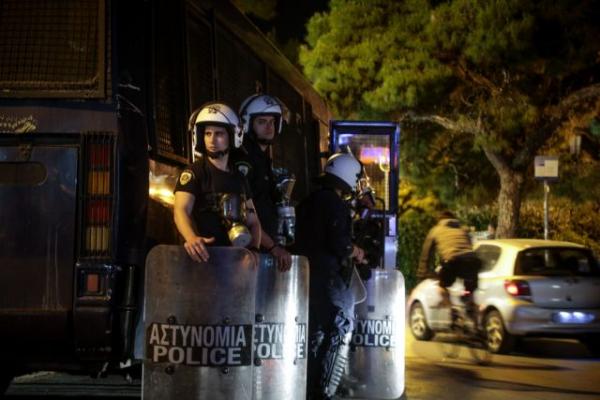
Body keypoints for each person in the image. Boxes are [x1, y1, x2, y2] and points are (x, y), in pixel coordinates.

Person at [294, 152, 366, 400]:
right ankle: (323, 389)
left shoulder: (309, 201)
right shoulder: (334, 204)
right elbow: (339, 243)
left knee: (315, 333)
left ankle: (307, 386)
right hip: (327, 276)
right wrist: (355, 251)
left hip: (305, 275)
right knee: (339, 327)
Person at [173, 102, 261, 262]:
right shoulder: (194, 173)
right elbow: (181, 210)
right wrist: (191, 238)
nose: (212, 140)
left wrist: (254, 249)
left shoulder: (240, 178)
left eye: (219, 134)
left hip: (234, 263)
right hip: (202, 261)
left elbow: (253, 222)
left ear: (233, 136)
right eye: (207, 133)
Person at [232, 93, 292, 271]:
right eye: (262, 122)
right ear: (248, 124)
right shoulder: (244, 159)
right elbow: (244, 212)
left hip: (262, 250)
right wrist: (272, 247)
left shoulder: (262, 159)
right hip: (249, 251)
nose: (269, 127)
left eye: (272, 122)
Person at [417, 211, 481, 311]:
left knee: (442, 286)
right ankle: (472, 309)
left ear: (440, 220)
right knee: (469, 289)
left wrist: (422, 273)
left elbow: (426, 253)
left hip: (452, 261)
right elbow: (470, 246)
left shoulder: (436, 230)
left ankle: (451, 309)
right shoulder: (462, 230)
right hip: (473, 261)